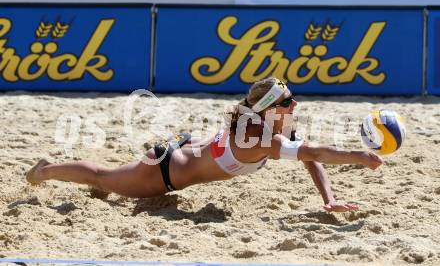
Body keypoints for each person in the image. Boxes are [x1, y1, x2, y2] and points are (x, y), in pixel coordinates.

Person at [26, 77, 383, 213]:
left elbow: (308, 157)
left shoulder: (269, 124)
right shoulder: (260, 135)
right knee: (102, 177)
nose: (294, 105)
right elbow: (315, 152)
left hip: (181, 150)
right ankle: (44, 170)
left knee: (109, 179)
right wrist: (360, 156)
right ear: (268, 108)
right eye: (287, 101)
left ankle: (68, 175)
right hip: (164, 172)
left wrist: (329, 198)